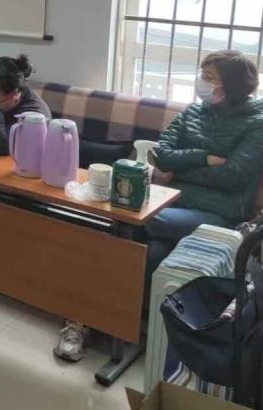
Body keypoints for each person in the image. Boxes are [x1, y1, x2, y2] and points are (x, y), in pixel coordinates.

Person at [55, 50, 263, 362]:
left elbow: (234, 176)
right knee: (147, 251)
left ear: (230, 85)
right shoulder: (194, 111)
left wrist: (179, 170)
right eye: (202, 74)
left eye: (209, 78)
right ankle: (99, 321)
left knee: (135, 224)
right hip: (168, 199)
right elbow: (161, 155)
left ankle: (86, 320)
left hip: (219, 213)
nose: (201, 82)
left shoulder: (256, 122)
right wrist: (205, 158)